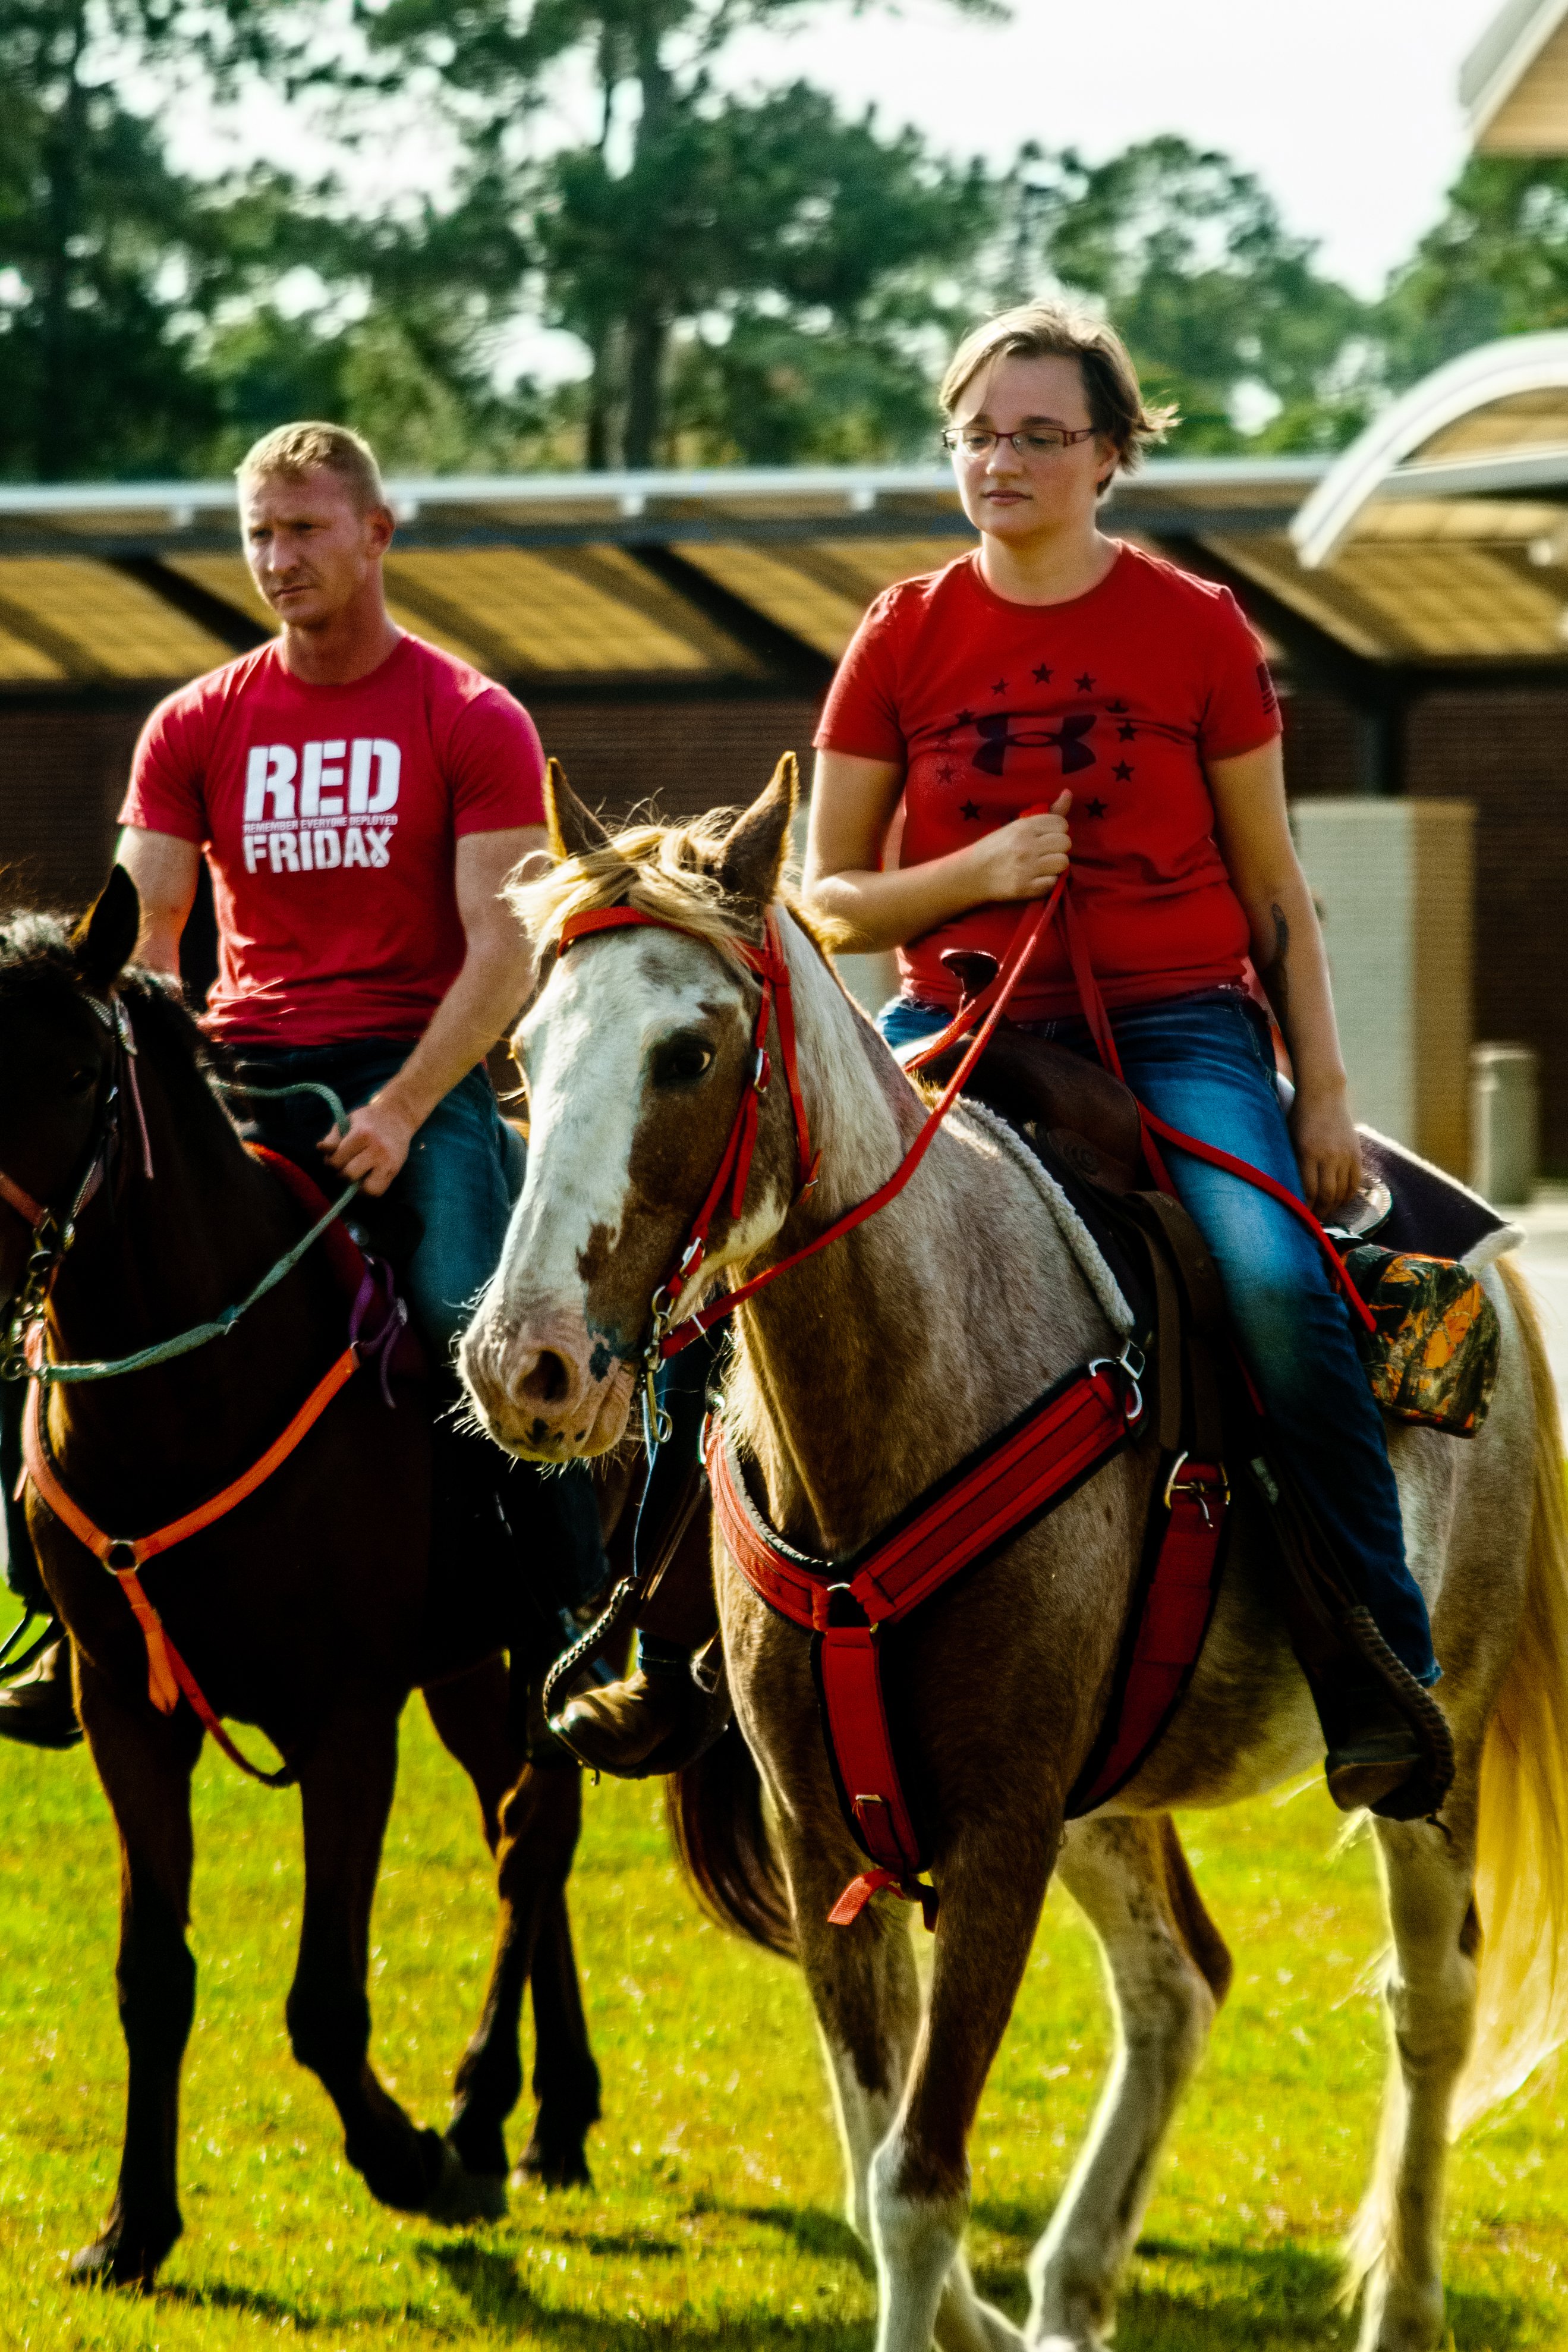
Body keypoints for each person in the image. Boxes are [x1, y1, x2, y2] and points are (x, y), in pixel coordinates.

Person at [565, 299, 1440, 1814]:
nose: (1001, 458)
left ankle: (1373, 1654)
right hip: (950, 1025)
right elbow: (824, 894)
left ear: (1108, 456)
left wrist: (1328, 1093)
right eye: (977, 433)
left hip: (1175, 1025)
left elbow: (1274, 883)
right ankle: (664, 1629)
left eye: (1039, 434)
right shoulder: (900, 633)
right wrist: (972, 876)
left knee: (1277, 1283)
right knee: (727, 1261)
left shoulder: (1196, 629)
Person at [0, 420, 604, 1749]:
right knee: (52, 1318)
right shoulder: (195, 723)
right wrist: (155, 1087)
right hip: (233, 1080)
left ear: (377, 535)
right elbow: (147, 932)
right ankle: (54, 1623)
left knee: (469, 1322)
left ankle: (574, 1621)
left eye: (306, 529)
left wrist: (400, 1107)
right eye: (260, 533)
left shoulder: (469, 715)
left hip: (418, 1084)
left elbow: (506, 943)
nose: (278, 558)